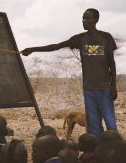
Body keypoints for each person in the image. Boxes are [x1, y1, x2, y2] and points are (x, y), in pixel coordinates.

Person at [21, 8, 118, 149]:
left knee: (110, 123)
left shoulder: (106, 37)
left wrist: (113, 85)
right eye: (83, 18)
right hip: (89, 89)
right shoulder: (80, 39)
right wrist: (33, 48)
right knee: (93, 126)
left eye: (88, 18)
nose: (84, 21)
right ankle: (97, 155)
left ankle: (115, 151)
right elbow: (57, 46)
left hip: (104, 88)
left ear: (96, 20)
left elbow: (112, 63)